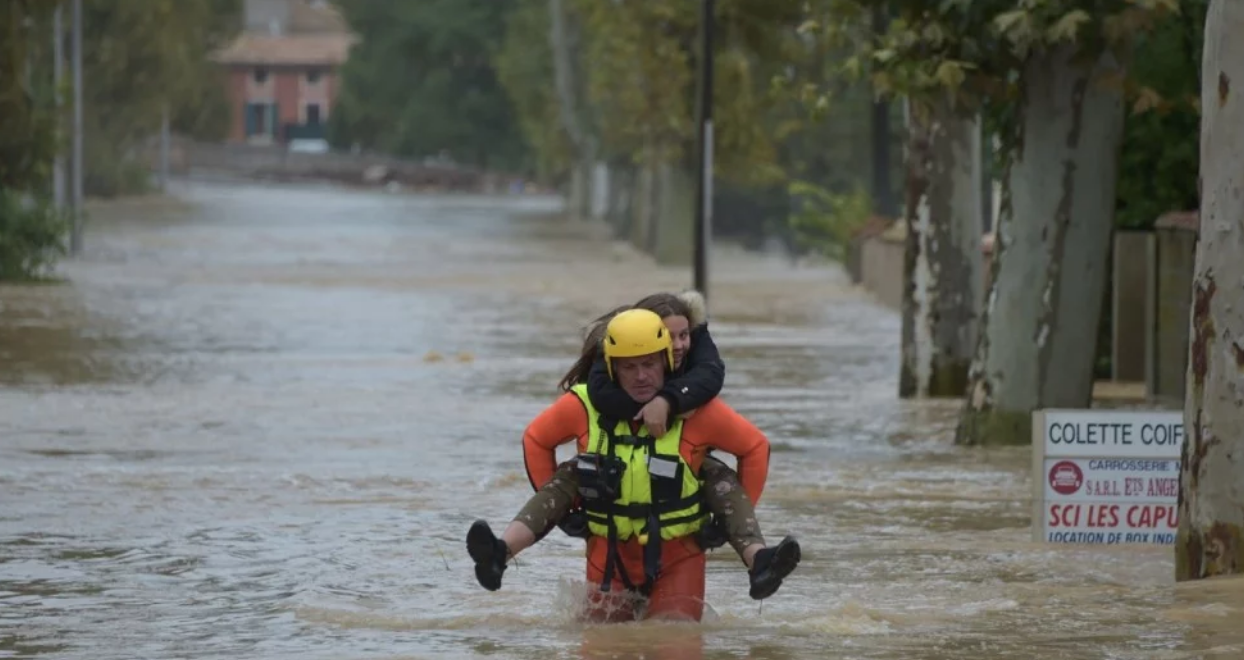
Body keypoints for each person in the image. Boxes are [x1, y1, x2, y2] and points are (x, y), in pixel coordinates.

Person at [467, 308, 800, 621]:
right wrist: (569, 515)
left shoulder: (697, 408)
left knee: (674, 643)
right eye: (629, 367)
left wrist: (721, 526)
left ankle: (758, 559)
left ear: (666, 361)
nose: (641, 376)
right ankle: (500, 552)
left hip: (678, 554)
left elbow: (755, 446)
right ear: (612, 368)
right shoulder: (583, 404)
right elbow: (536, 440)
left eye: (650, 364)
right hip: (607, 551)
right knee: (603, 648)